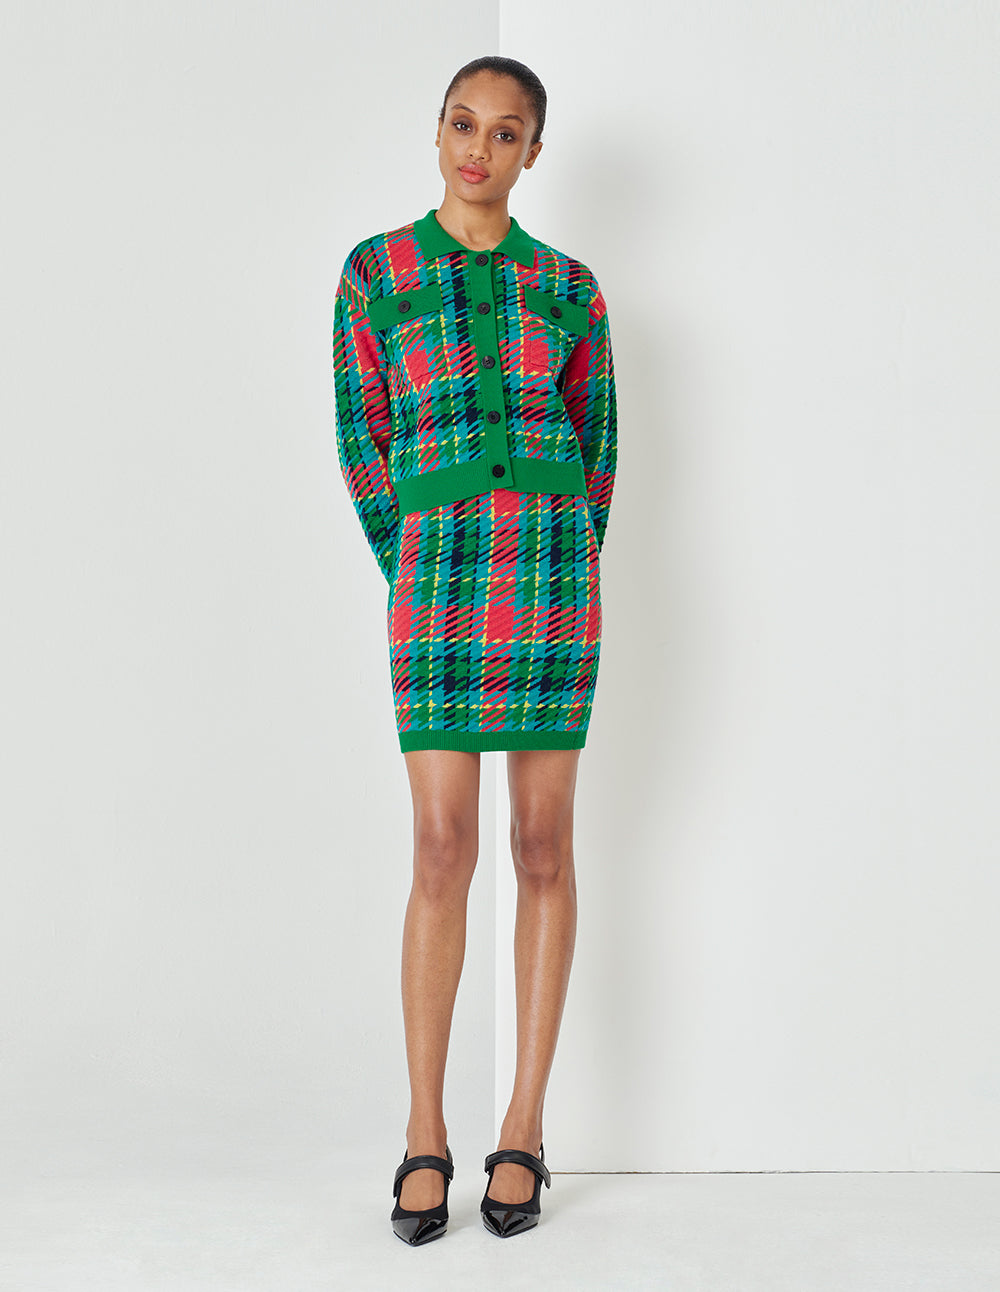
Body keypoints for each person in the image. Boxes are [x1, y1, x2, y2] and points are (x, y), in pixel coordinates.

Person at [331, 54, 618, 1244]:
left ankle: (523, 1125)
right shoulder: (375, 273)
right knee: (442, 844)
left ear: (532, 153)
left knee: (541, 844)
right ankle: (423, 1130)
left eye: (505, 133)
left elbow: (597, 452)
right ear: (438, 130)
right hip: (438, 575)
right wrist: (416, 556)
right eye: (463, 123)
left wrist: (562, 550)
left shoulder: (569, 287)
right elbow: (363, 440)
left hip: (549, 573)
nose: (478, 149)